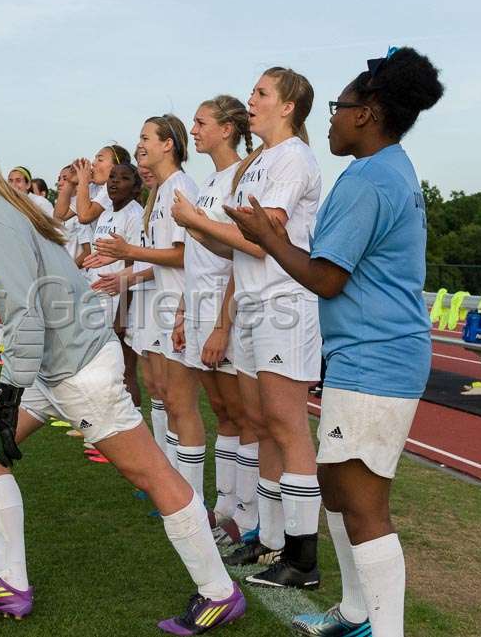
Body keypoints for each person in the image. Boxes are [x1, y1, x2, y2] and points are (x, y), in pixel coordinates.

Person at [0, 119, 245, 634]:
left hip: (77, 368)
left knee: (154, 476)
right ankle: (10, 583)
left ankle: (220, 593)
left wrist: (8, 390)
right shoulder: (0, 207)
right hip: (59, 362)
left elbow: (26, 313)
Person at [225, 47, 444, 637]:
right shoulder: (390, 167)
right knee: (336, 485)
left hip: (378, 357)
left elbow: (327, 276)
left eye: (340, 107)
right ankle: (353, 612)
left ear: (367, 113)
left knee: (363, 501)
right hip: (365, 354)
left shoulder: (368, 179)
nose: (331, 118)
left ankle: (382, 628)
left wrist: (267, 236)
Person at [174, 68, 324, 589]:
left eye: (261, 93)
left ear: (288, 107)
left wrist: (198, 219)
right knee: (261, 423)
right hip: (254, 303)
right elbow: (233, 246)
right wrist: (200, 227)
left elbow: (264, 238)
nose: (251, 99)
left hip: (285, 301)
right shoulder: (257, 163)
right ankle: (270, 538)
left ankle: (303, 557)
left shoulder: (294, 158)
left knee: (286, 424)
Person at [89, 115, 208, 501]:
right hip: (156, 303)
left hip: (176, 304)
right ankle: (169, 481)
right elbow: (158, 260)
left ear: (167, 145)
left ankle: (185, 495)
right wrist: (127, 276)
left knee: (180, 403)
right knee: (161, 393)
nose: (139, 145)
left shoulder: (182, 187)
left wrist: (128, 255)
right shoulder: (161, 193)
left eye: (145, 138)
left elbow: (181, 255)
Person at [169, 96, 256, 545]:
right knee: (222, 410)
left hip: (230, 310)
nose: (194, 129)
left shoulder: (241, 177)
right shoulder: (210, 181)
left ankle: (247, 513)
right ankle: (224, 505)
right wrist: (185, 312)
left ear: (227, 129)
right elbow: (198, 257)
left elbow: (240, 257)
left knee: (243, 414)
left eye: (201, 123)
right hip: (201, 308)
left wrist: (223, 324)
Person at [83, 162, 144, 403]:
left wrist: (123, 313)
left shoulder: (135, 215)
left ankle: (132, 426)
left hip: (120, 300)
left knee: (124, 370)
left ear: (136, 187)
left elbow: (133, 265)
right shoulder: (107, 213)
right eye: (112, 177)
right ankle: (103, 424)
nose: (115, 182)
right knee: (100, 365)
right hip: (98, 298)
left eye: (124, 178)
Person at [56, 165, 92, 270]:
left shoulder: (82, 208)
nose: (60, 183)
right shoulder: (60, 209)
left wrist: (68, 271)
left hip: (79, 276)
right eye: (59, 179)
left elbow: (88, 251)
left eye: (65, 179)